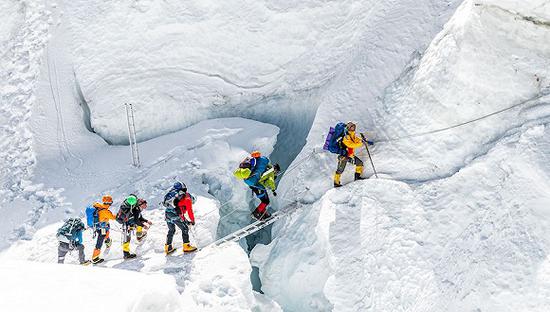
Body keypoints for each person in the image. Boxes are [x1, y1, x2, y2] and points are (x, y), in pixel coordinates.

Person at [234, 151, 279, 220]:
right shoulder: (271, 172)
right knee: (266, 201)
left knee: (264, 200)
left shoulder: (264, 166)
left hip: (252, 184)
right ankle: (256, 213)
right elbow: (270, 181)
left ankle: (263, 213)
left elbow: (262, 178)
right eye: (277, 172)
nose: (276, 173)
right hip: (255, 185)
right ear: (275, 169)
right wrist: (273, 190)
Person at [333, 121, 373, 187]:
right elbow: (351, 145)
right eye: (352, 127)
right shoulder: (346, 137)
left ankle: (357, 177)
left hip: (349, 155)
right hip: (343, 156)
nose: (353, 128)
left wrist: (362, 141)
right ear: (348, 128)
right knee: (340, 170)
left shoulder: (352, 135)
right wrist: (361, 143)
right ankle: (336, 183)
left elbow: (356, 140)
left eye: (354, 127)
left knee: (359, 163)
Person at [163, 181, 197, 254]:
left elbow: (181, 215)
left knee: (171, 230)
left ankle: (168, 247)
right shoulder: (188, 199)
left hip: (167, 214)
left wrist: (187, 221)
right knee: (185, 228)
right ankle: (186, 246)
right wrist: (192, 220)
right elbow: (189, 212)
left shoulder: (174, 194)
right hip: (174, 214)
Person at [117, 194, 152, 259]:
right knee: (127, 239)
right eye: (145, 204)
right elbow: (137, 220)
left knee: (127, 238)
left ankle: (139, 236)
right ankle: (126, 254)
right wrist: (143, 225)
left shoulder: (137, 208)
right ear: (140, 204)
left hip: (129, 223)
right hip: (127, 224)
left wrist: (146, 221)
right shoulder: (136, 209)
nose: (146, 206)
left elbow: (139, 217)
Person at [91, 195, 116, 264]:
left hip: (98, 226)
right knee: (100, 241)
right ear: (109, 203)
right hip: (102, 228)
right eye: (111, 203)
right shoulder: (105, 211)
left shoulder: (99, 207)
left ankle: (108, 242)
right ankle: (95, 258)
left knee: (106, 234)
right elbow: (113, 217)